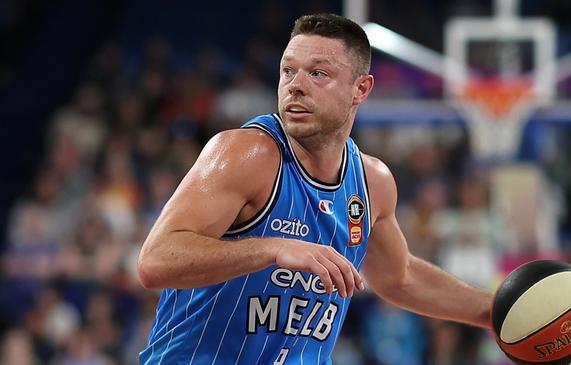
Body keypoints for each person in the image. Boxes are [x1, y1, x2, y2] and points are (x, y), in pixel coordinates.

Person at [137, 13, 493, 364]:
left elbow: (399, 277)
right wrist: (272, 248)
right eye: (288, 70)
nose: (295, 84)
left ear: (361, 89)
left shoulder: (372, 183)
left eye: (318, 73)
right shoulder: (247, 153)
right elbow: (156, 260)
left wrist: (491, 312)